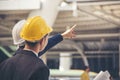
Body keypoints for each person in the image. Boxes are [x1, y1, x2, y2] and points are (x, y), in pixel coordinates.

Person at [0, 16, 76, 80]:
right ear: (43, 40)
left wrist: (62, 36)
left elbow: (44, 44)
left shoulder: (4, 65)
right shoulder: (39, 68)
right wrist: (62, 36)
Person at [12, 19, 76, 57]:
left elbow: (48, 43)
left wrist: (63, 35)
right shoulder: (37, 66)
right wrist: (63, 35)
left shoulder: (7, 64)